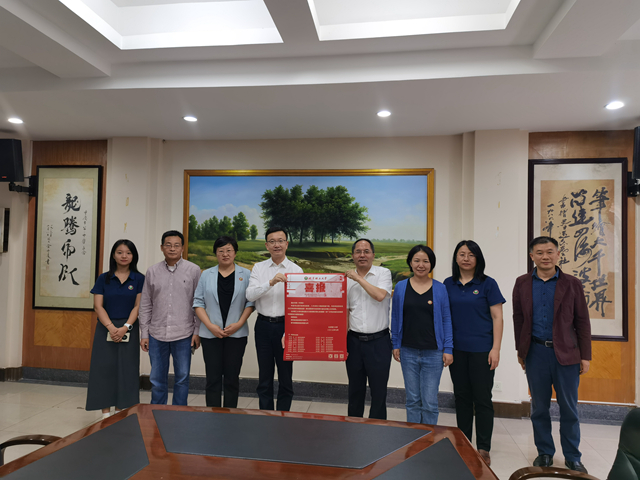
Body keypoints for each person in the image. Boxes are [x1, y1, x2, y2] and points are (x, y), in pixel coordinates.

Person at [513, 236, 592, 474]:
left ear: (558, 254)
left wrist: (585, 356)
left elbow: (582, 321)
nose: (545, 256)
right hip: (535, 352)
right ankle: (545, 452)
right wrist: (520, 350)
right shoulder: (522, 283)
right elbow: (518, 318)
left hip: (567, 354)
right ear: (532, 256)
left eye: (549, 252)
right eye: (539, 252)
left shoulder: (572, 283)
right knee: (539, 407)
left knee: (569, 408)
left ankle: (572, 456)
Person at [444, 240, 505, 466]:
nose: (466, 258)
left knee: (482, 399)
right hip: (456, 350)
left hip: (482, 350)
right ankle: (464, 444)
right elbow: (443, 316)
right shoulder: (448, 284)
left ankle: (483, 448)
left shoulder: (488, 284)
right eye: (462, 254)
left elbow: (498, 317)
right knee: (461, 398)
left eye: (471, 254)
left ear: (478, 258)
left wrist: (496, 348)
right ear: (456, 258)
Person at [391, 245, 453, 425]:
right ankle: (414, 437)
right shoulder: (401, 287)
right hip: (408, 351)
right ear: (410, 263)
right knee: (412, 401)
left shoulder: (440, 288)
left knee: (430, 402)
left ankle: (429, 437)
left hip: (433, 352)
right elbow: (395, 318)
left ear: (431, 264)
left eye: (426, 261)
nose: (421, 265)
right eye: (417, 260)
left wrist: (448, 348)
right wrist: (396, 344)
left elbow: (446, 319)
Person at [139, 230, 201, 405]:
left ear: (182, 248)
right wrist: (144, 333)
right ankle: (158, 412)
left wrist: (197, 331)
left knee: (182, 378)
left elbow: (199, 303)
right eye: (168, 245)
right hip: (156, 333)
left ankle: (179, 413)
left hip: (184, 333)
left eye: (176, 245)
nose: (172, 248)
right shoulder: (152, 271)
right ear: (161, 247)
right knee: (157, 379)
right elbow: (146, 304)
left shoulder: (194, 270)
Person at [193, 236, 254, 408]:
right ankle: (213, 415)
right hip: (210, 334)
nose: (225, 254)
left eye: (229, 250)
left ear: (235, 253)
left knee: (232, 378)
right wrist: (210, 326)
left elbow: (250, 302)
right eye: (221, 251)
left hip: (237, 334)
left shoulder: (246, 274)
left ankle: (230, 415)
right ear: (216, 253)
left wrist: (239, 323)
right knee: (212, 378)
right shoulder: (206, 274)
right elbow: (198, 303)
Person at [246, 226, 302, 411]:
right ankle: (266, 416)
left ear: (287, 244)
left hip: (287, 327)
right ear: (266, 245)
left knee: (286, 377)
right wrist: (271, 282)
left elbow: (300, 305)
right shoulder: (259, 268)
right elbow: (250, 295)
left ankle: (284, 417)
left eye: (280, 241)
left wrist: (290, 331)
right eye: (272, 241)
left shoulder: (296, 270)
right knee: (265, 377)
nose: (276, 245)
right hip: (263, 326)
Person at [86, 239, 144, 418]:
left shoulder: (139, 278)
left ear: (133, 256)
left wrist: (125, 327)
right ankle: (105, 414)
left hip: (129, 329)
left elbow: (138, 306)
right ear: (113, 255)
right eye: (120, 252)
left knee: (127, 370)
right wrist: (111, 327)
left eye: (128, 253)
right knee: (103, 369)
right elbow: (98, 306)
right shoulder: (104, 278)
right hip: (105, 328)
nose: (124, 256)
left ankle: (120, 411)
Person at [345, 239, 393, 420]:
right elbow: (345, 313)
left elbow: (380, 295)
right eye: (358, 251)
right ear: (353, 256)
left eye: (366, 251)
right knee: (355, 390)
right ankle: (353, 427)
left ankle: (377, 430)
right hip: (354, 342)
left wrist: (358, 278)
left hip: (379, 342)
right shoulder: (346, 281)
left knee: (379, 391)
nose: (362, 255)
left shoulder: (383, 273)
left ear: (373, 255)